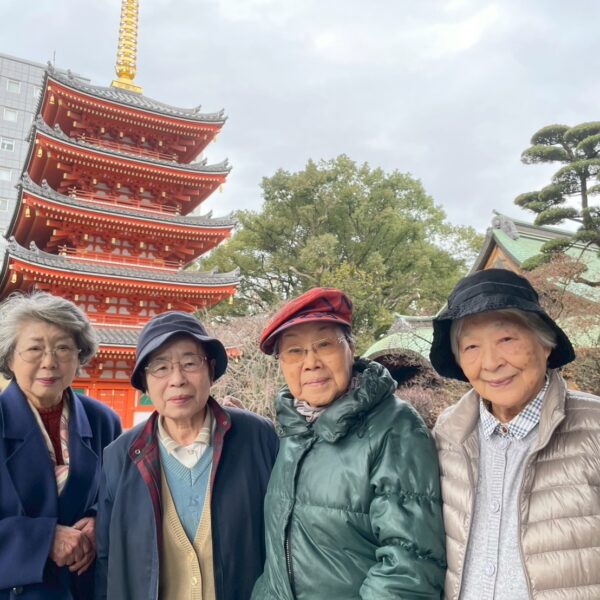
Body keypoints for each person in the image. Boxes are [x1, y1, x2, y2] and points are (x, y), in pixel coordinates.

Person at [252, 287, 446, 600]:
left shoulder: (394, 427)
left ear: (351, 348)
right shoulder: (293, 428)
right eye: (294, 351)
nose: (310, 362)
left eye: (324, 344)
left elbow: (409, 566)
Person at [430, 268, 600, 600]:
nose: (491, 362)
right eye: (471, 347)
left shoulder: (594, 427)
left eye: (506, 339)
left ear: (545, 343)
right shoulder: (448, 434)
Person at [95, 311, 279, 600]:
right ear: (145, 382)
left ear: (211, 370)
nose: (177, 379)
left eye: (190, 363)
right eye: (161, 367)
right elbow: (107, 561)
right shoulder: (120, 457)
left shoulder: (257, 437)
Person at [0, 292, 122, 599]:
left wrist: (100, 522)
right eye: (34, 349)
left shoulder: (103, 420)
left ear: (79, 357)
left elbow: (120, 495)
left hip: (85, 588)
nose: (49, 362)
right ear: (10, 357)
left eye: (63, 348)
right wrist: (43, 540)